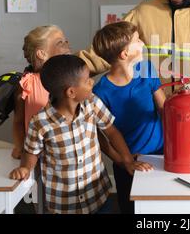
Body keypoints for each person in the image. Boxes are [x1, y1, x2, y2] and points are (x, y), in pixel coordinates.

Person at [9, 55, 152, 214]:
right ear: (71, 92)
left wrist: (127, 160)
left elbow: (111, 132)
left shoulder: (92, 103)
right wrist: (25, 168)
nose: (92, 82)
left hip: (97, 196)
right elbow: (31, 152)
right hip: (64, 204)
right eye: (87, 80)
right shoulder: (40, 122)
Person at [92, 22, 165, 214]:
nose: (142, 43)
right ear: (124, 54)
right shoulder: (100, 91)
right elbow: (99, 135)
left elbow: (164, 109)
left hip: (161, 154)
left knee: (161, 208)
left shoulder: (147, 69)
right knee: (132, 209)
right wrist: (122, 161)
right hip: (128, 164)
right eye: (137, 40)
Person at [11, 25, 71, 159]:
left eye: (66, 41)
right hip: (38, 158)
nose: (67, 44)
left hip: (68, 156)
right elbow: (18, 121)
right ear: (42, 54)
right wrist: (20, 148)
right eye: (60, 42)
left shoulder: (73, 79)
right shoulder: (27, 84)